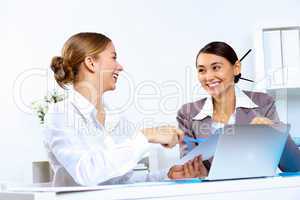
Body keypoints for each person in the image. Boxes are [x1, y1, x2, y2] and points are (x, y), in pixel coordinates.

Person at [44, 32, 183, 186]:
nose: (120, 67)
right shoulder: (60, 114)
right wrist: (146, 135)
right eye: (113, 57)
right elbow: (86, 173)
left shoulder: (114, 118)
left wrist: (169, 175)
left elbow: (122, 181)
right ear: (91, 63)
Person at [168, 41, 300, 179]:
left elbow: (294, 167)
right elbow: (188, 167)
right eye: (202, 70)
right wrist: (197, 174)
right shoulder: (187, 113)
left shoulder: (263, 103)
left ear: (236, 67)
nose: (208, 77)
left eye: (216, 67)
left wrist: (275, 131)